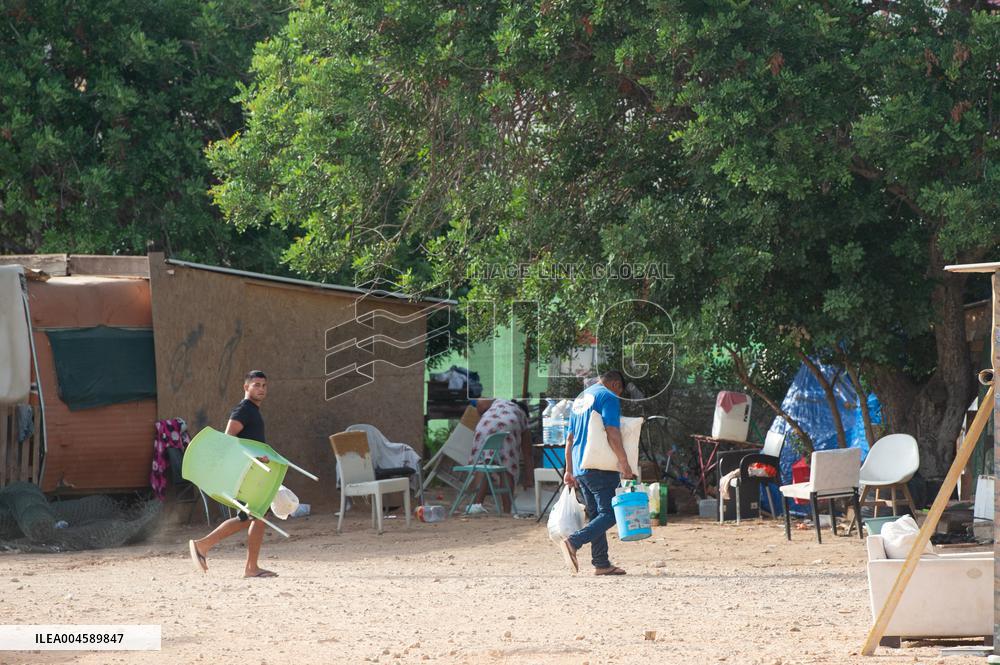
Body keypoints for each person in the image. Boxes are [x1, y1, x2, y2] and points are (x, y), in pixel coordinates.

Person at [188, 370, 278, 578]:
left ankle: (251, 567)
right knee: (250, 516)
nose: (261, 389)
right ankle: (203, 545)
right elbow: (228, 439)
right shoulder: (244, 410)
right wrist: (249, 459)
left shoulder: (252, 411)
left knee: (257, 515)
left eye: (264, 385)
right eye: (256, 385)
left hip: (252, 472)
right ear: (246, 387)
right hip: (245, 474)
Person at [559, 370, 634, 576]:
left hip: (581, 466)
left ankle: (601, 563)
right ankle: (573, 542)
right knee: (610, 514)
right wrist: (624, 462)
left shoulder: (581, 399)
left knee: (596, 516)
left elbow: (570, 439)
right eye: (620, 391)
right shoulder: (608, 396)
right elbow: (612, 431)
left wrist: (569, 470)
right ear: (616, 385)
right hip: (600, 465)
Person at [464, 398, 533, 513]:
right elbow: (528, 453)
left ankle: (476, 505)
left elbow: (480, 403)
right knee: (507, 467)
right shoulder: (522, 416)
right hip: (509, 424)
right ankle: (507, 510)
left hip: (485, 425)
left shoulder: (498, 401)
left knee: (483, 463)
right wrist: (529, 479)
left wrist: (485, 415)